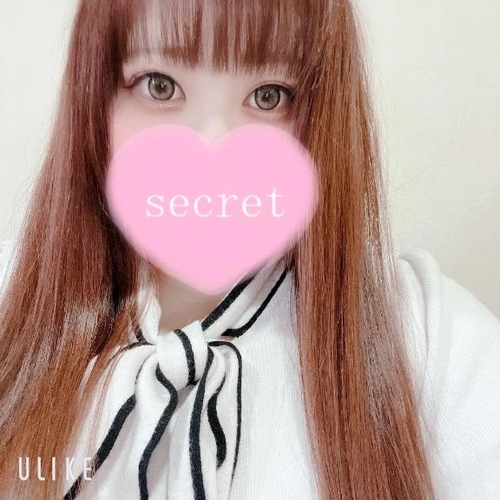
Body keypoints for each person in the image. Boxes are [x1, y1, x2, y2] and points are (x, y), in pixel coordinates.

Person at [0, 0, 499, 499]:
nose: (212, 145)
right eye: (159, 85)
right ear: (96, 98)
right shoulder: (11, 300)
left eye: (268, 96)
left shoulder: (423, 334)